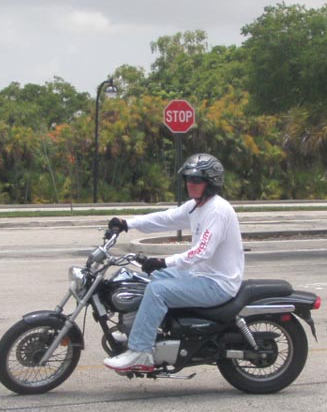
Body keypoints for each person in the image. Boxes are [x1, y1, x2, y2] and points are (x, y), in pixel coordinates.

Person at [103, 153, 244, 373]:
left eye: (196, 179)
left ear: (211, 182)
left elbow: (201, 252)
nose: (190, 183)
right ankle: (140, 331)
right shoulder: (197, 206)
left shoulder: (217, 210)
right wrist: (127, 223)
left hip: (218, 283)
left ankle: (141, 352)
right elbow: (165, 218)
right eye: (187, 178)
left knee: (158, 291)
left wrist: (163, 262)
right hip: (200, 275)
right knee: (148, 279)